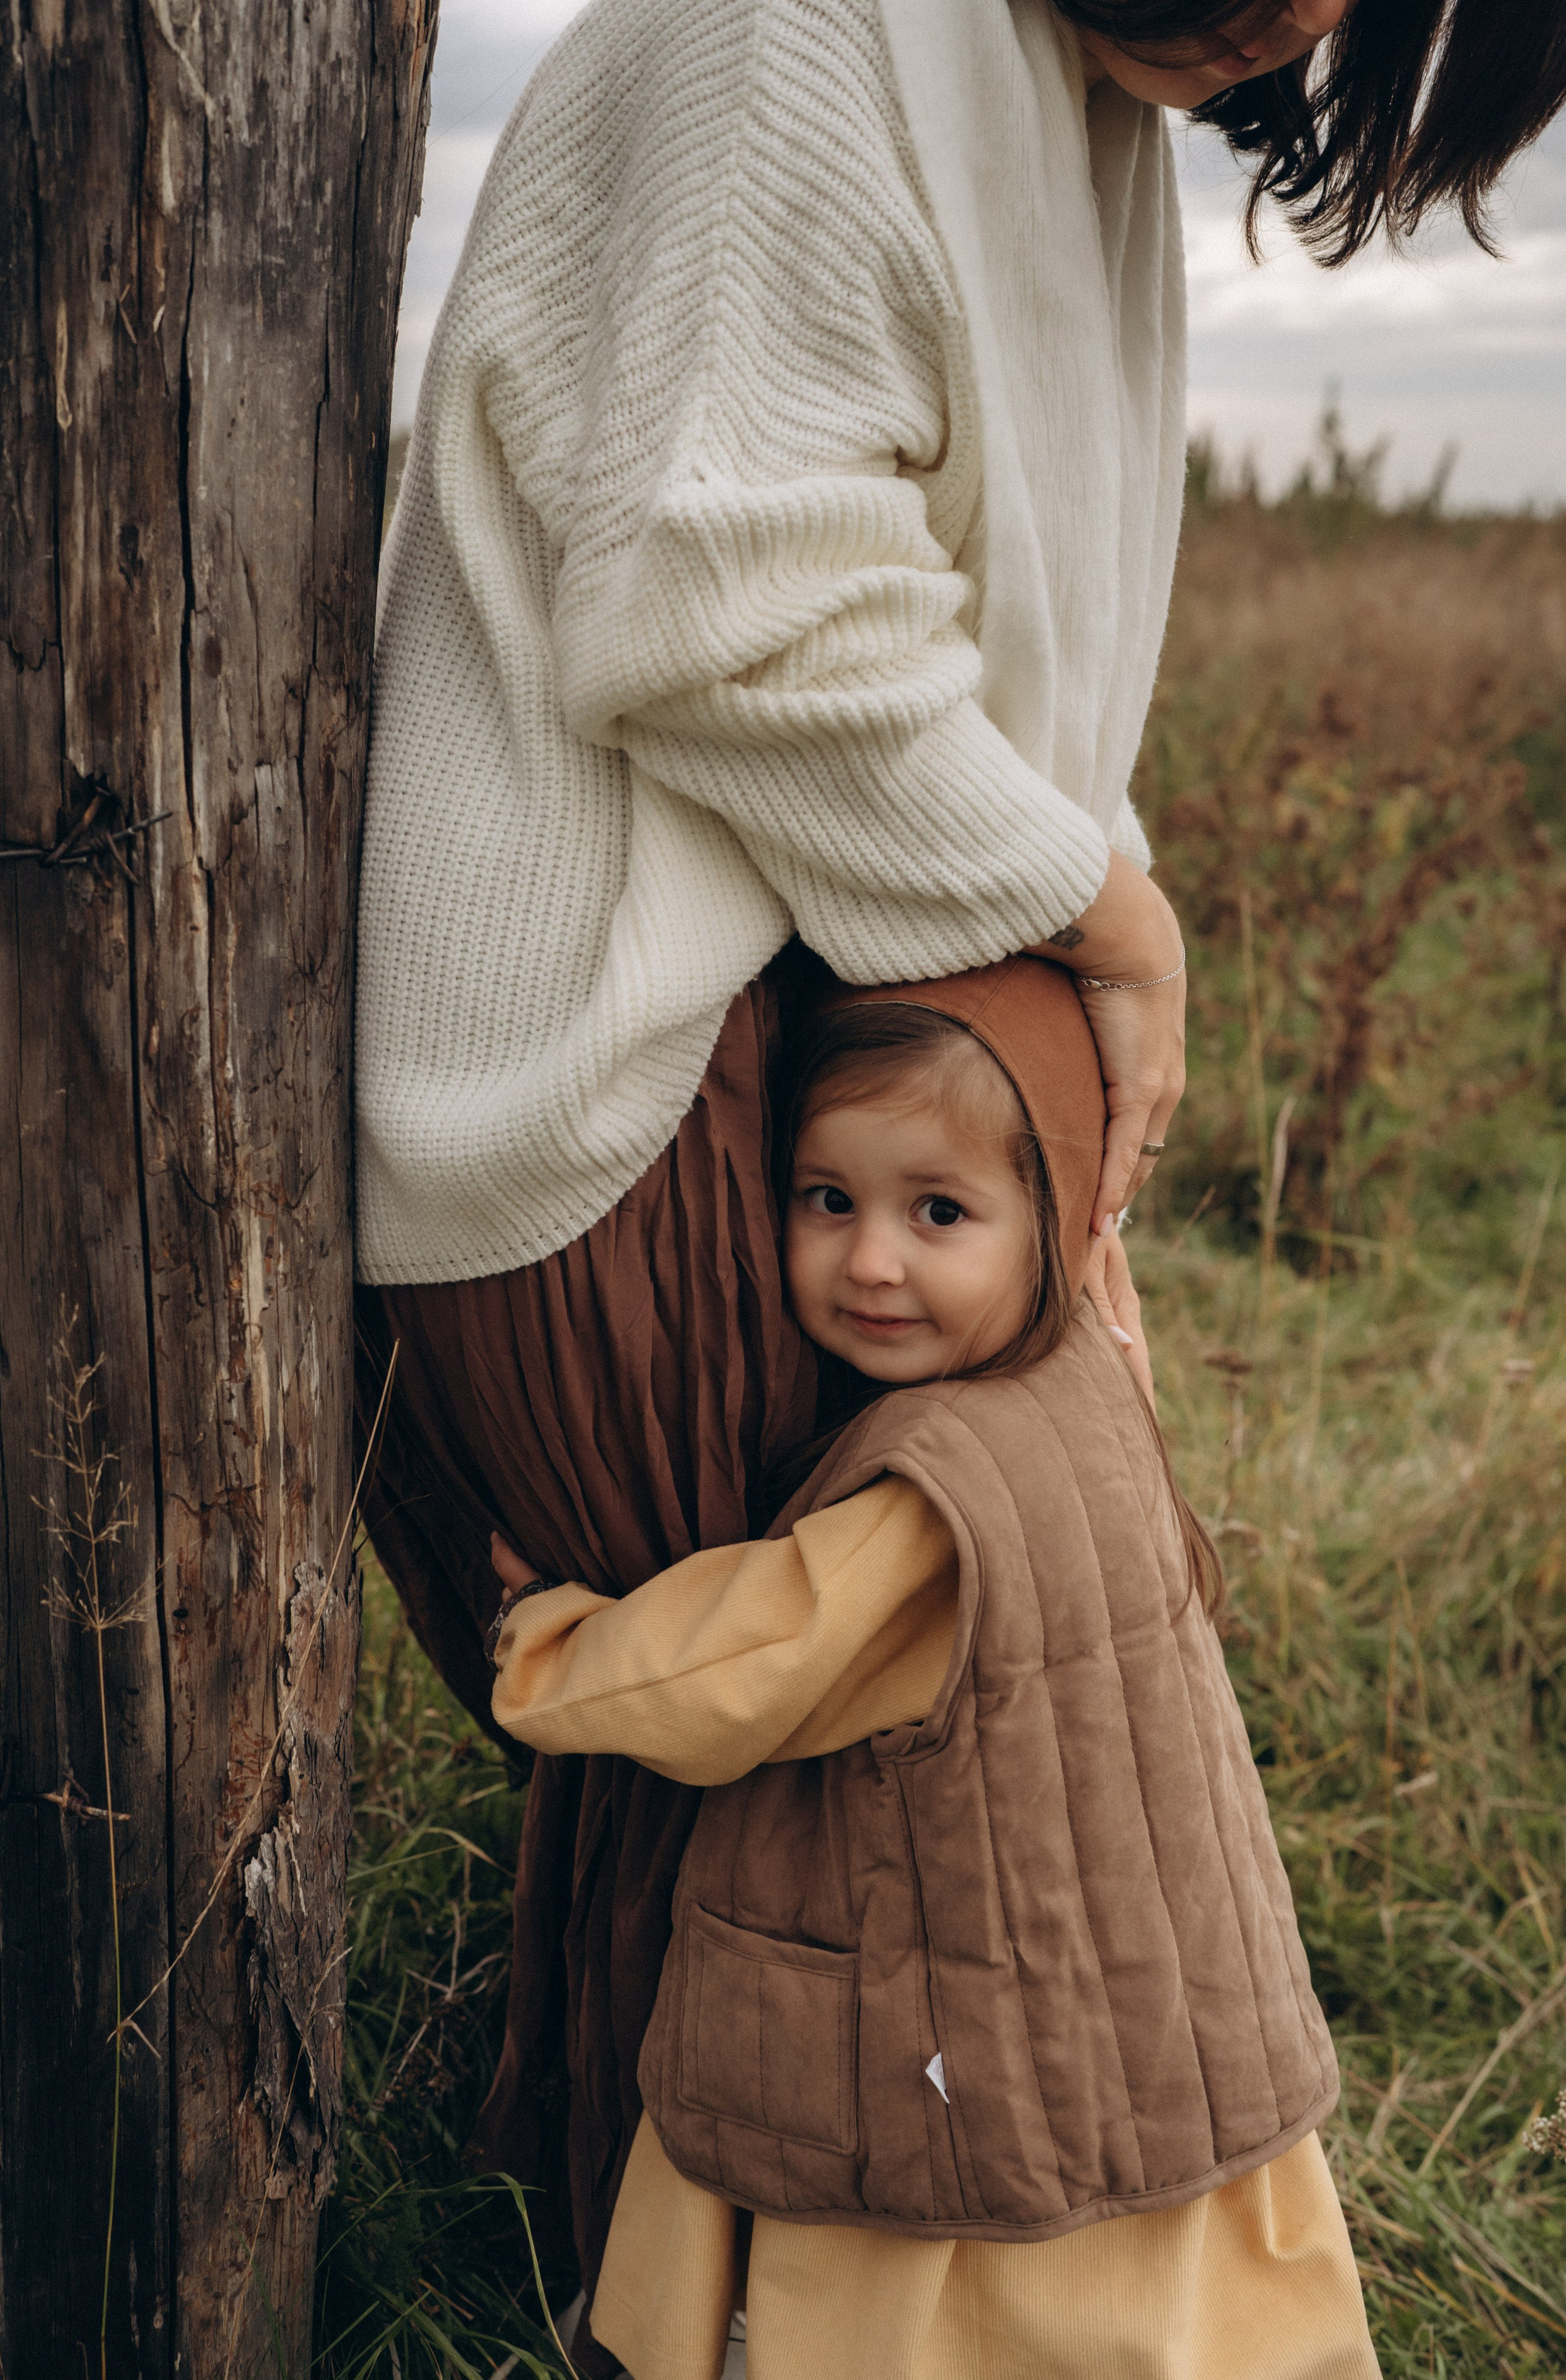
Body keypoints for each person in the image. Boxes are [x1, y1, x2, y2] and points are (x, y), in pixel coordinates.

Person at [352, 0, 1566, 2356]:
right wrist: (1116, 919)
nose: (1299, 21)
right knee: (852, 1733)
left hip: (818, 1061)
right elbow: (731, 593)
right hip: (637, 1081)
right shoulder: (802, 33)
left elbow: (970, 625)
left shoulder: (1054, 83)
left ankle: (667, 2275)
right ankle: (761, 2291)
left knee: (904, 1734)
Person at [485, 958, 1381, 2380]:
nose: (873, 1261)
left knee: (940, 2236)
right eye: (825, 1199)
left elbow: (749, 1664)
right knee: (1136, 2226)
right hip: (1159, 1992)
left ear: (1056, 1220)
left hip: (951, 2036)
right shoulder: (1091, 1373)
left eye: (938, 1212)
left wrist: (543, 1638)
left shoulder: (928, 1509)